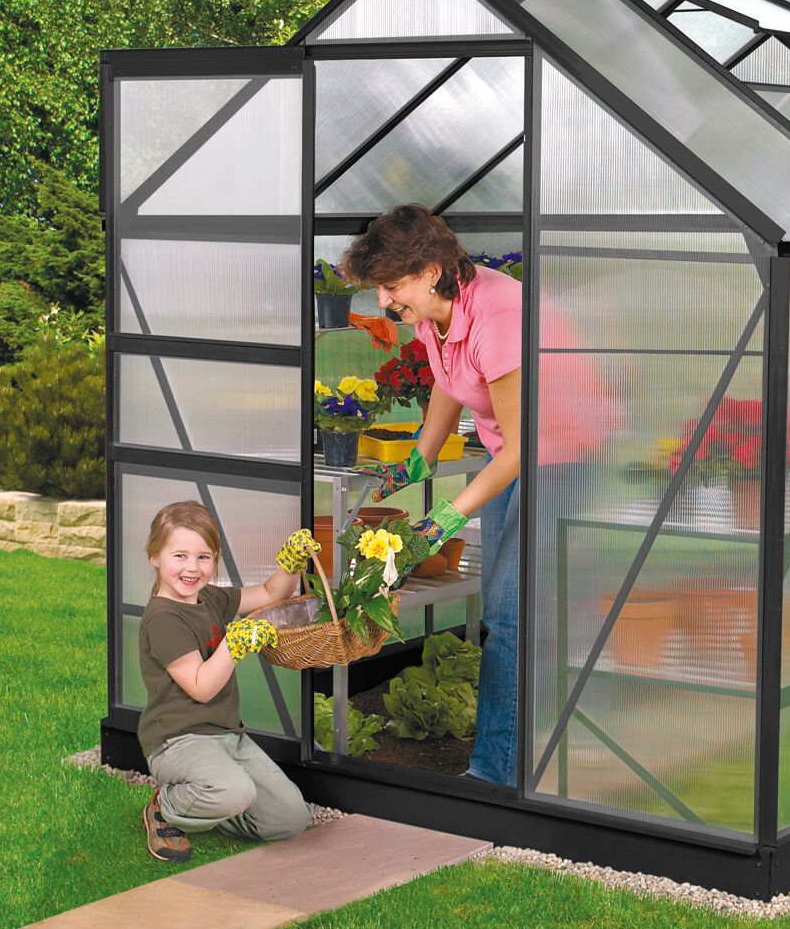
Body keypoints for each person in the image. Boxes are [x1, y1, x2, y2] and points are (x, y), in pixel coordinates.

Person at [341, 205, 525, 786]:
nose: (383, 301)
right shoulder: (436, 312)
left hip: (563, 455)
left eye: (391, 287)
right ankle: (517, 758)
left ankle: (495, 776)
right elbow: (450, 380)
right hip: (508, 454)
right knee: (508, 608)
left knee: (511, 613)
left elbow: (523, 449)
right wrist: (421, 456)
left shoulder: (499, 314)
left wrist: (440, 520)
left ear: (430, 271)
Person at [138, 500, 318, 862]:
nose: (192, 567)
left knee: (290, 818)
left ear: (215, 559)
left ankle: (215, 804)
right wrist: (234, 644)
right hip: (176, 741)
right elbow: (201, 687)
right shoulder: (163, 619)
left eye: (203, 557)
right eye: (180, 556)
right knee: (234, 790)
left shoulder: (209, 598)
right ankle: (165, 807)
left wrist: (291, 564)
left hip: (227, 736)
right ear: (154, 556)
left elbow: (270, 593)